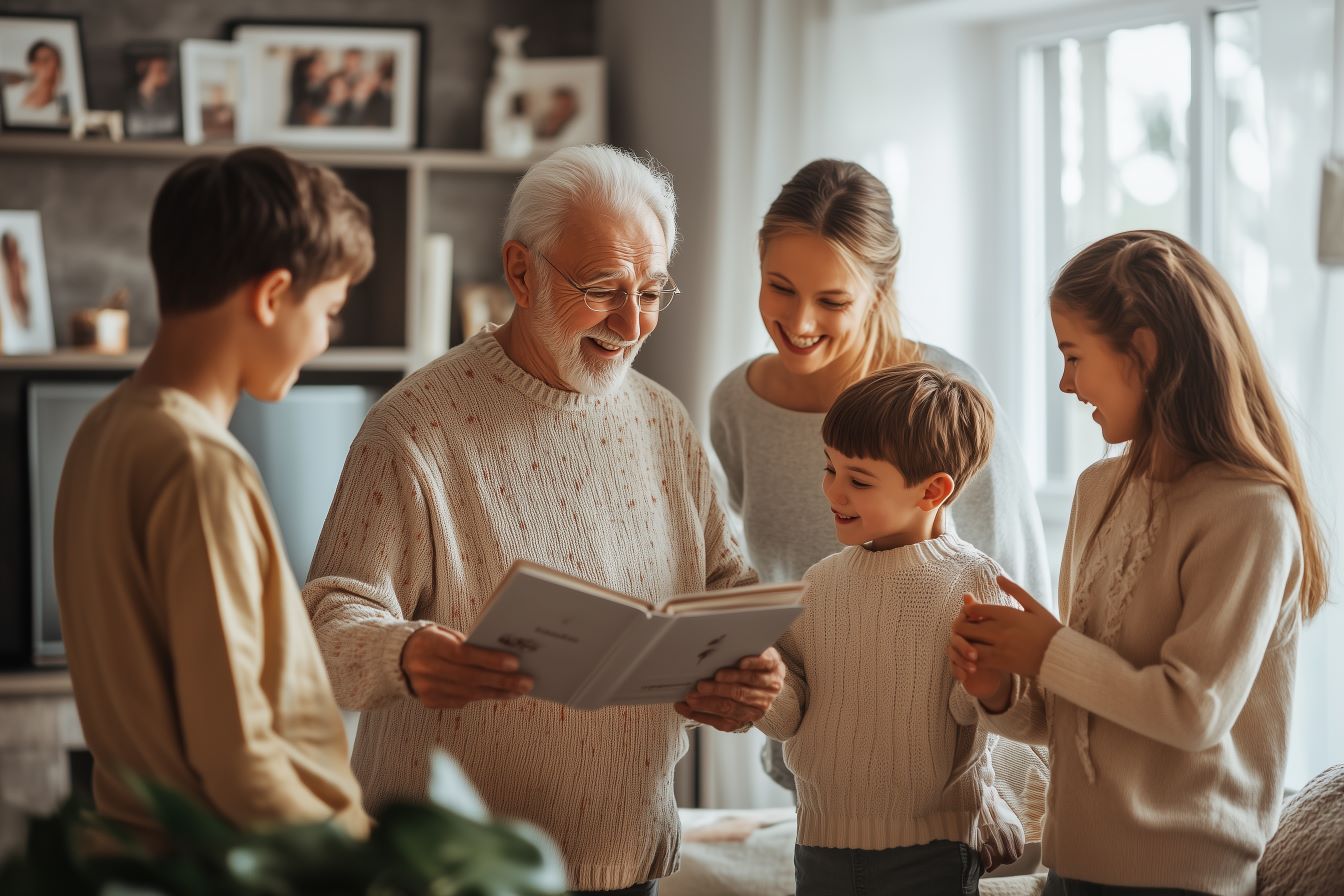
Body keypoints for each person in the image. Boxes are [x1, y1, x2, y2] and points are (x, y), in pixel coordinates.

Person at [303, 144, 785, 896]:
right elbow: (328, 616)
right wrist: (404, 654)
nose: (632, 323)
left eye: (652, 291)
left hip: (626, 864)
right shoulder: (414, 427)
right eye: (603, 288)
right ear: (521, 272)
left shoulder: (664, 421)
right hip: (451, 871)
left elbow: (728, 587)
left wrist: (752, 676)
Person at [948, 230, 1328, 896]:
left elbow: (1193, 711)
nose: (1065, 383)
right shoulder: (1097, 491)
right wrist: (1001, 689)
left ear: (1143, 353)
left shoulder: (1251, 513)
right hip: (1070, 870)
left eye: (1073, 356)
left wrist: (1050, 651)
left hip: (1187, 882)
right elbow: (1077, 717)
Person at [52, 147, 374, 844]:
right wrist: (372, 864)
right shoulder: (200, 465)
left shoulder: (100, 431)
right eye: (329, 310)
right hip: (235, 865)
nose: (325, 338)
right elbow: (239, 760)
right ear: (271, 295)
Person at [708, 158, 1051, 806]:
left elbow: (1017, 589)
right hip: (819, 764)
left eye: (833, 300)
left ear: (880, 288)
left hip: (953, 773)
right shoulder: (736, 404)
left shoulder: (946, 398)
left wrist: (1004, 799)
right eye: (780, 287)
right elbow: (757, 582)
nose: (800, 322)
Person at [757, 363, 1025, 896]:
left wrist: (991, 690)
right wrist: (752, 676)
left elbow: (974, 710)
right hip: (819, 843)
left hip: (932, 852)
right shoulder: (821, 583)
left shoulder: (973, 580)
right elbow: (789, 718)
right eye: (829, 468)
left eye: (858, 479)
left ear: (932, 491)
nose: (833, 491)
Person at [3, 39, 69, 126]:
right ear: (33, 66)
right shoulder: (18, 101)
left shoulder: (63, 106)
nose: (52, 66)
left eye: (56, 62)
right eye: (44, 60)